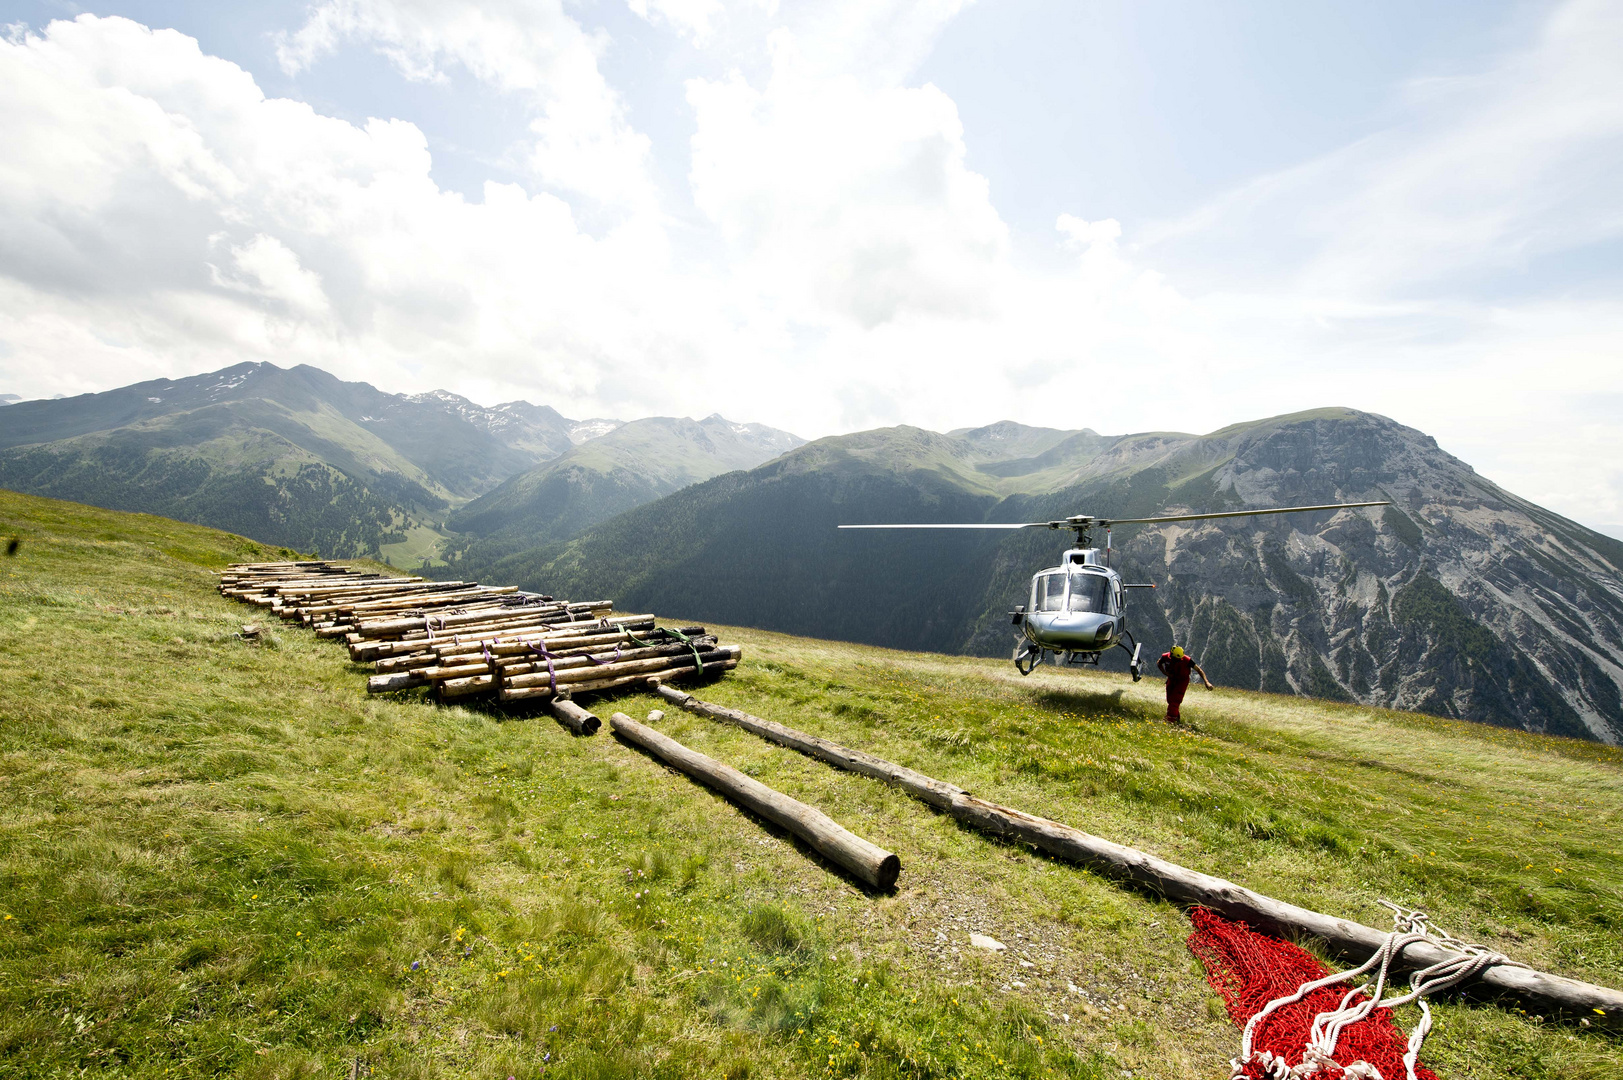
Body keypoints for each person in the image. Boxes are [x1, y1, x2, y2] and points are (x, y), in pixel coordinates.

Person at [1157, 645, 1214, 722]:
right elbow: (1159, 663)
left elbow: (1199, 670)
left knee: (1175, 700)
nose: (1179, 660)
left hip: (1182, 681)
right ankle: (1176, 718)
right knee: (1170, 700)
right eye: (1177, 659)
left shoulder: (1187, 660)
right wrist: (1165, 673)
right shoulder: (1165, 657)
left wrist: (1206, 682)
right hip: (1171, 679)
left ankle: (1170, 719)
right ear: (1172, 656)